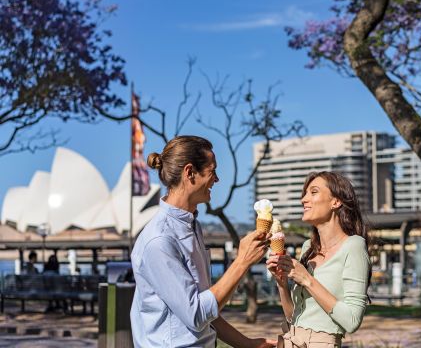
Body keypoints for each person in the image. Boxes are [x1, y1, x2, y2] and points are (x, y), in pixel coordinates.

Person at [130, 135, 275, 348]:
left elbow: (207, 311)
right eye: (212, 171)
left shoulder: (192, 225)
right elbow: (196, 314)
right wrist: (242, 262)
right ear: (190, 173)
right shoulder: (159, 240)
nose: (216, 180)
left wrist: (249, 344)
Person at [267, 171, 371, 347]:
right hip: (291, 341)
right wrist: (282, 284)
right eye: (305, 194)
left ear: (335, 202)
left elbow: (352, 321)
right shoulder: (308, 248)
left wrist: (307, 280)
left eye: (313, 192)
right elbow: (294, 317)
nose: (303, 200)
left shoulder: (354, 246)